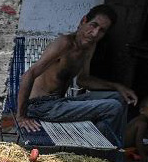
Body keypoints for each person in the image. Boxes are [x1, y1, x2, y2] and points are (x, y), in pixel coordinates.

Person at [16, 5, 138, 148]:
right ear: (83, 21)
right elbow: (28, 75)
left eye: (101, 31)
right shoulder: (65, 43)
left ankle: (102, 145)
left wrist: (117, 86)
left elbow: (83, 80)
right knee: (113, 107)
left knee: (119, 98)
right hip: (41, 106)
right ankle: (106, 152)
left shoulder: (89, 47)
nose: (94, 33)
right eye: (93, 25)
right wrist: (21, 116)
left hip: (60, 102)